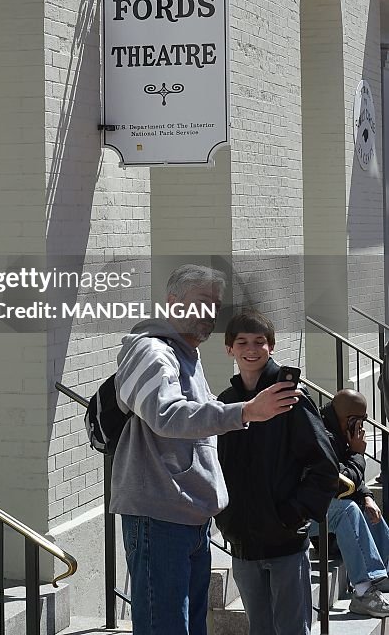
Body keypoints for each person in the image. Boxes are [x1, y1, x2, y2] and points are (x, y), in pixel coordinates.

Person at [110, 266, 301, 635]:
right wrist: (245, 411)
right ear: (172, 304)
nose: (209, 314)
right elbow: (165, 414)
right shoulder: (151, 350)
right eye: (201, 303)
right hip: (159, 517)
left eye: (215, 306)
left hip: (190, 519)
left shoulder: (187, 355)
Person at [216, 310, 339, 635]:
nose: (251, 349)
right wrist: (225, 519)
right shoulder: (227, 404)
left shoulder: (291, 399)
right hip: (243, 546)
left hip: (285, 544)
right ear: (229, 349)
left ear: (271, 346)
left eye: (259, 341)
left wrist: (293, 514)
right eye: (242, 342)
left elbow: (325, 466)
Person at [319, 389, 389, 617]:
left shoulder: (337, 430)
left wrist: (367, 496)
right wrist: (358, 453)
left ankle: (384, 573)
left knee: (368, 509)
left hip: (322, 511)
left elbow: (352, 480)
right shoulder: (323, 436)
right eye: (360, 420)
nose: (362, 426)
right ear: (349, 419)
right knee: (348, 510)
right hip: (305, 518)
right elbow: (341, 482)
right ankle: (364, 592)